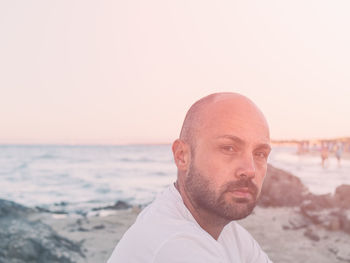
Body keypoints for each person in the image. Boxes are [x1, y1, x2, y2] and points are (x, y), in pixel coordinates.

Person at [107, 92, 273, 263]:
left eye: (260, 153)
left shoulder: (229, 233)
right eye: (229, 148)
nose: (250, 169)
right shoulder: (172, 243)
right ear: (182, 156)